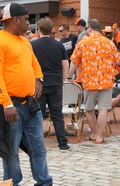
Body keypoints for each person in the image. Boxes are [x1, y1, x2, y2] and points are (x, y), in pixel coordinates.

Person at [0, 2, 66, 186]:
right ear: (15, 20)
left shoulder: (25, 40)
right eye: (26, 19)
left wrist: (39, 78)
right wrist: (5, 103)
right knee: (10, 151)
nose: (29, 23)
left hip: (30, 104)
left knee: (39, 148)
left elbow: (33, 62)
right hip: (10, 106)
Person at [68, 19, 120, 144]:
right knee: (103, 108)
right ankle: (99, 137)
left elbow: (74, 61)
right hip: (106, 80)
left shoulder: (83, 43)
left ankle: (94, 133)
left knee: (89, 109)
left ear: (90, 28)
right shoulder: (109, 43)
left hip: (89, 80)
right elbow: (117, 60)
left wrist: (69, 77)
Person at [31, 17, 70, 151]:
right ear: (51, 29)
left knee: (38, 116)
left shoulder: (33, 45)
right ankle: (63, 143)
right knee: (57, 115)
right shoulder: (59, 45)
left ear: (39, 29)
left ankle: (38, 144)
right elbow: (65, 64)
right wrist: (63, 80)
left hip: (39, 84)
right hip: (55, 83)